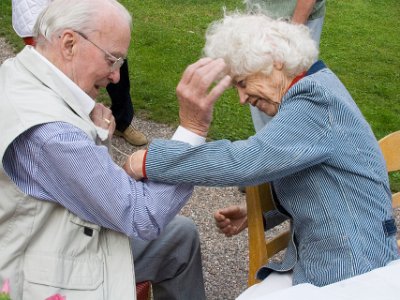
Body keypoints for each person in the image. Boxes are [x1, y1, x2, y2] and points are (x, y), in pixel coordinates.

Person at [125, 12, 400, 294]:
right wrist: (259, 213)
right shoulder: (318, 85)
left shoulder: (313, 102)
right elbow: (320, 180)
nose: (242, 99)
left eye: (242, 83)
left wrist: (151, 161)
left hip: (352, 268)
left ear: (276, 62)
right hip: (346, 252)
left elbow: (243, 161)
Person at [0, 0, 205, 299]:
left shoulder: (20, 71)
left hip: (48, 232)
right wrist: (193, 130)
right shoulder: (51, 133)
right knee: (168, 231)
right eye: (112, 60)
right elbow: (140, 214)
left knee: (180, 235)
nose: (116, 76)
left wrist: (90, 127)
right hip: (48, 266)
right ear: (69, 43)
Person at [11, 0, 148, 146]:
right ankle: (82, 124)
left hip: (83, 13)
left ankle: (120, 121)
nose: (116, 76)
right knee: (65, 78)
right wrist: (100, 140)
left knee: (112, 58)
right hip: (49, 20)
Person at [244, 0, 326, 132]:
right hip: (258, 15)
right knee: (258, 87)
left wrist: (293, 33)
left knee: (293, 92)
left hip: (295, 19)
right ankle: (268, 146)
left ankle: (295, 147)